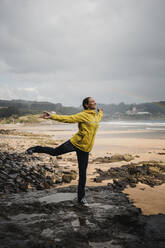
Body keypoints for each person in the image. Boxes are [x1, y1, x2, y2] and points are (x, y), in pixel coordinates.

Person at [26, 97, 103, 206]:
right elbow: (68, 118)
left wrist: (100, 112)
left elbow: (99, 118)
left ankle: (81, 198)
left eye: (94, 101)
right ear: (86, 105)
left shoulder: (96, 116)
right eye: (92, 102)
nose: (95, 102)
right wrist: (52, 116)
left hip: (85, 149)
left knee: (83, 174)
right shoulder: (83, 115)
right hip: (75, 143)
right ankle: (35, 148)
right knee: (54, 152)